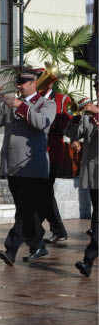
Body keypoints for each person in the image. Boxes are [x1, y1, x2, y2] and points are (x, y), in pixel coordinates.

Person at [0, 68, 55, 266]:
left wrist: (21, 106)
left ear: (34, 83)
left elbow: (42, 123)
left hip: (32, 166)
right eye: (18, 82)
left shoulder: (46, 103)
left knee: (24, 210)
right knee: (25, 210)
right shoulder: (12, 103)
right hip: (13, 165)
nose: (19, 86)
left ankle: (11, 249)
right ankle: (38, 244)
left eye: (23, 82)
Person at [65, 83, 98, 277]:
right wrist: (76, 118)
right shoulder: (89, 113)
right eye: (98, 89)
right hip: (94, 173)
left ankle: (88, 259)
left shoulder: (95, 112)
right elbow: (71, 134)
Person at [39, 78, 72, 244]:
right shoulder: (35, 99)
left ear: (51, 83)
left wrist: (53, 124)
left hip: (52, 152)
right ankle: (54, 229)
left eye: (44, 80)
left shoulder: (62, 99)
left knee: (45, 190)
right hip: (36, 153)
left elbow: (69, 123)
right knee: (44, 191)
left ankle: (34, 228)